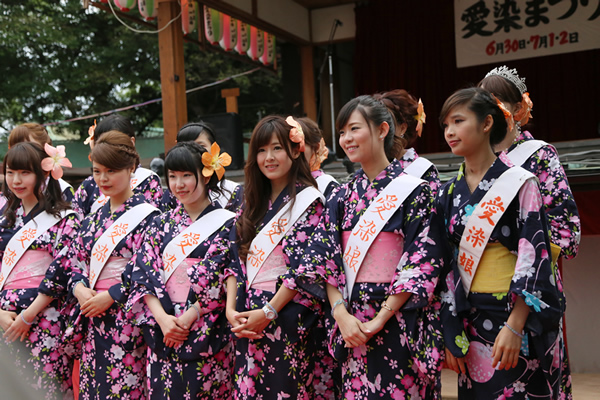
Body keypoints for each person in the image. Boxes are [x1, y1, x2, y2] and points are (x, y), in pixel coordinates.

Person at [300, 95, 446, 399]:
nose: (347, 139)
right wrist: (341, 314)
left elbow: (423, 260)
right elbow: (324, 260)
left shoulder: (414, 191)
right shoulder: (341, 197)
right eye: (342, 132)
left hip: (398, 320)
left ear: (382, 129)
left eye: (354, 129)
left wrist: (381, 318)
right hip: (351, 323)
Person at [437, 87, 565, 399]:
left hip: (515, 315)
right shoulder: (449, 192)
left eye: (458, 121)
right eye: (445, 125)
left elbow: (534, 256)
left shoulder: (520, 182)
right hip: (471, 318)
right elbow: (444, 263)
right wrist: (450, 329)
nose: (450, 132)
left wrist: (515, 324)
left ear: (486, 123)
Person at [479, 67, 579, 397]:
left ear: (517, 110)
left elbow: (563, 229)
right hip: (481, 301)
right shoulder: (476, 161)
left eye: (495, 106)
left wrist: (522, 295)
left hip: (532, 291)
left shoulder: (539, 155)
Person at [209, 115, 325, 399]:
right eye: (261, 150)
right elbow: (233, 259)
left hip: (286, 315)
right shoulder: (247, 201)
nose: (268, 157)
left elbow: (306, 269)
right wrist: (230, 310)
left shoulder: (309, 201)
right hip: (246, 316)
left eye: (277, 148)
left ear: (295, 150)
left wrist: (269, 312)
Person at [127, 141, 235, 399]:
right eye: (173, 177)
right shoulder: (160, 224)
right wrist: (163, 320)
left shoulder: (227, 224)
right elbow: (143, 273)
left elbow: (224, 277)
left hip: (205, 327)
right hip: (163, 326)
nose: (179, 184)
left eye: (187, 175)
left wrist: (190, 316)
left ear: (206, 175)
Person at [67, 131, 160, 399]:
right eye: (97, 171)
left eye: (111, 170)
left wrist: (112, 295)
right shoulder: (92, 219)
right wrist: (78, 289)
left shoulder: (150, 217)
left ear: (132, 168)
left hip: (128, 317)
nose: (103, 179)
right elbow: (76, 262)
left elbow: (147, 268)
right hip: (91, 314)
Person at [0, 142, 79, 399]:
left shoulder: (64, 218)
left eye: (25, 172)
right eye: (10, 172)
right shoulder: (5, 218)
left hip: (45, 319)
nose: (16, 180)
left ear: (44, 173)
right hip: (5, 320)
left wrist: (28, 316)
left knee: (46, 390)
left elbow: (62, 270)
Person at [73, 114, 163, 215]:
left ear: (131, 142)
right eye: (103, 144)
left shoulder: (148, 180)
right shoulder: (88, 185)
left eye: (114, 143)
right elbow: (77, 222)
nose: (108, 151)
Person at [159, 122, 243, 213]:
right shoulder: (173, 192)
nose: (193, 151)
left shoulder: (231, 190)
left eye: (200, 145)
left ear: (214, 147)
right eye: (185, 147)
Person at [374, 89, 442, 194]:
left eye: (387, 126)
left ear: (402, 128)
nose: (381, 133)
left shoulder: (421, 170)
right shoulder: (367, 169)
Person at [5, 123, 75, 202]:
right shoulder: (8, 191)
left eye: (30, 147)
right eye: (15, 147)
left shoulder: (63, 190)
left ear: (46, 150)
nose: (21, 152)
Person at [297, 117, 339, 199]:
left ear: (316, 147)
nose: (293, 151)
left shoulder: (327, 185)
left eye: (299, 145)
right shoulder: (278, 183)